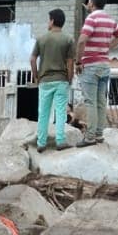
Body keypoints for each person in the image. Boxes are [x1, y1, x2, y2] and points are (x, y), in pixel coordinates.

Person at [75, 0, 118, 144]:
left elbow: (82, 41)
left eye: (89, 0)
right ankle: (99, 134)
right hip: (104, 64)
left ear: (92, 2)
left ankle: (89, 137)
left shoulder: (91, 18)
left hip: (91, 65)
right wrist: (107, 47)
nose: (88, 3)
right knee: (101, 102)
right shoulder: (110, 19)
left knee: (90, 102)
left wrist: (78, 62)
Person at [30, 8, 75, 152]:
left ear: (53, 21)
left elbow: (32, 59)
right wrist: (69, 78)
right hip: (61, 80)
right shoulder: (68, 39)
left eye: (49, 20)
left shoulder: (41, 39)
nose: (48, 23)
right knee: (61, 111)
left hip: (45, 81)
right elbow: (70, 62)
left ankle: (41, 143)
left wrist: (36, 76)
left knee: (43, 112)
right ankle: (60, 141)